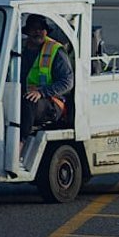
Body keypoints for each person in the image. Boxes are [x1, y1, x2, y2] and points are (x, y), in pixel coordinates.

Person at [17, 14, 73, 145]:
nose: (38, 32)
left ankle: (20, 142)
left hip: (52, 102)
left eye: (41, 29)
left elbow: (67, 82)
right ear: (28, 31)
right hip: (24, 96)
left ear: (46, 31)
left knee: (28, 101)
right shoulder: (20, 48)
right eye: (34, 28)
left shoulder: (55, 50)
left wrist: (41, 92)